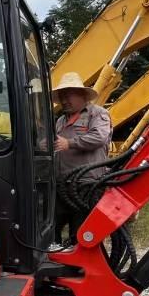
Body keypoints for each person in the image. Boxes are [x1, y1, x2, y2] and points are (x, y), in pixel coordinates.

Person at [53, 72, 112, 242]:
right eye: (62, 96)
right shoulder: (60, 121)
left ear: (82, 95)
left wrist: (69, 143)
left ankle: (78, 267)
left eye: (68, 95)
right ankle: (57, 260)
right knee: (51, 227)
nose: (64, 100)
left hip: (86, 185)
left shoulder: (98, 114)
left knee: (80, 232)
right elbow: (57, 144)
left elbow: (99, 137)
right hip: (63, 184)